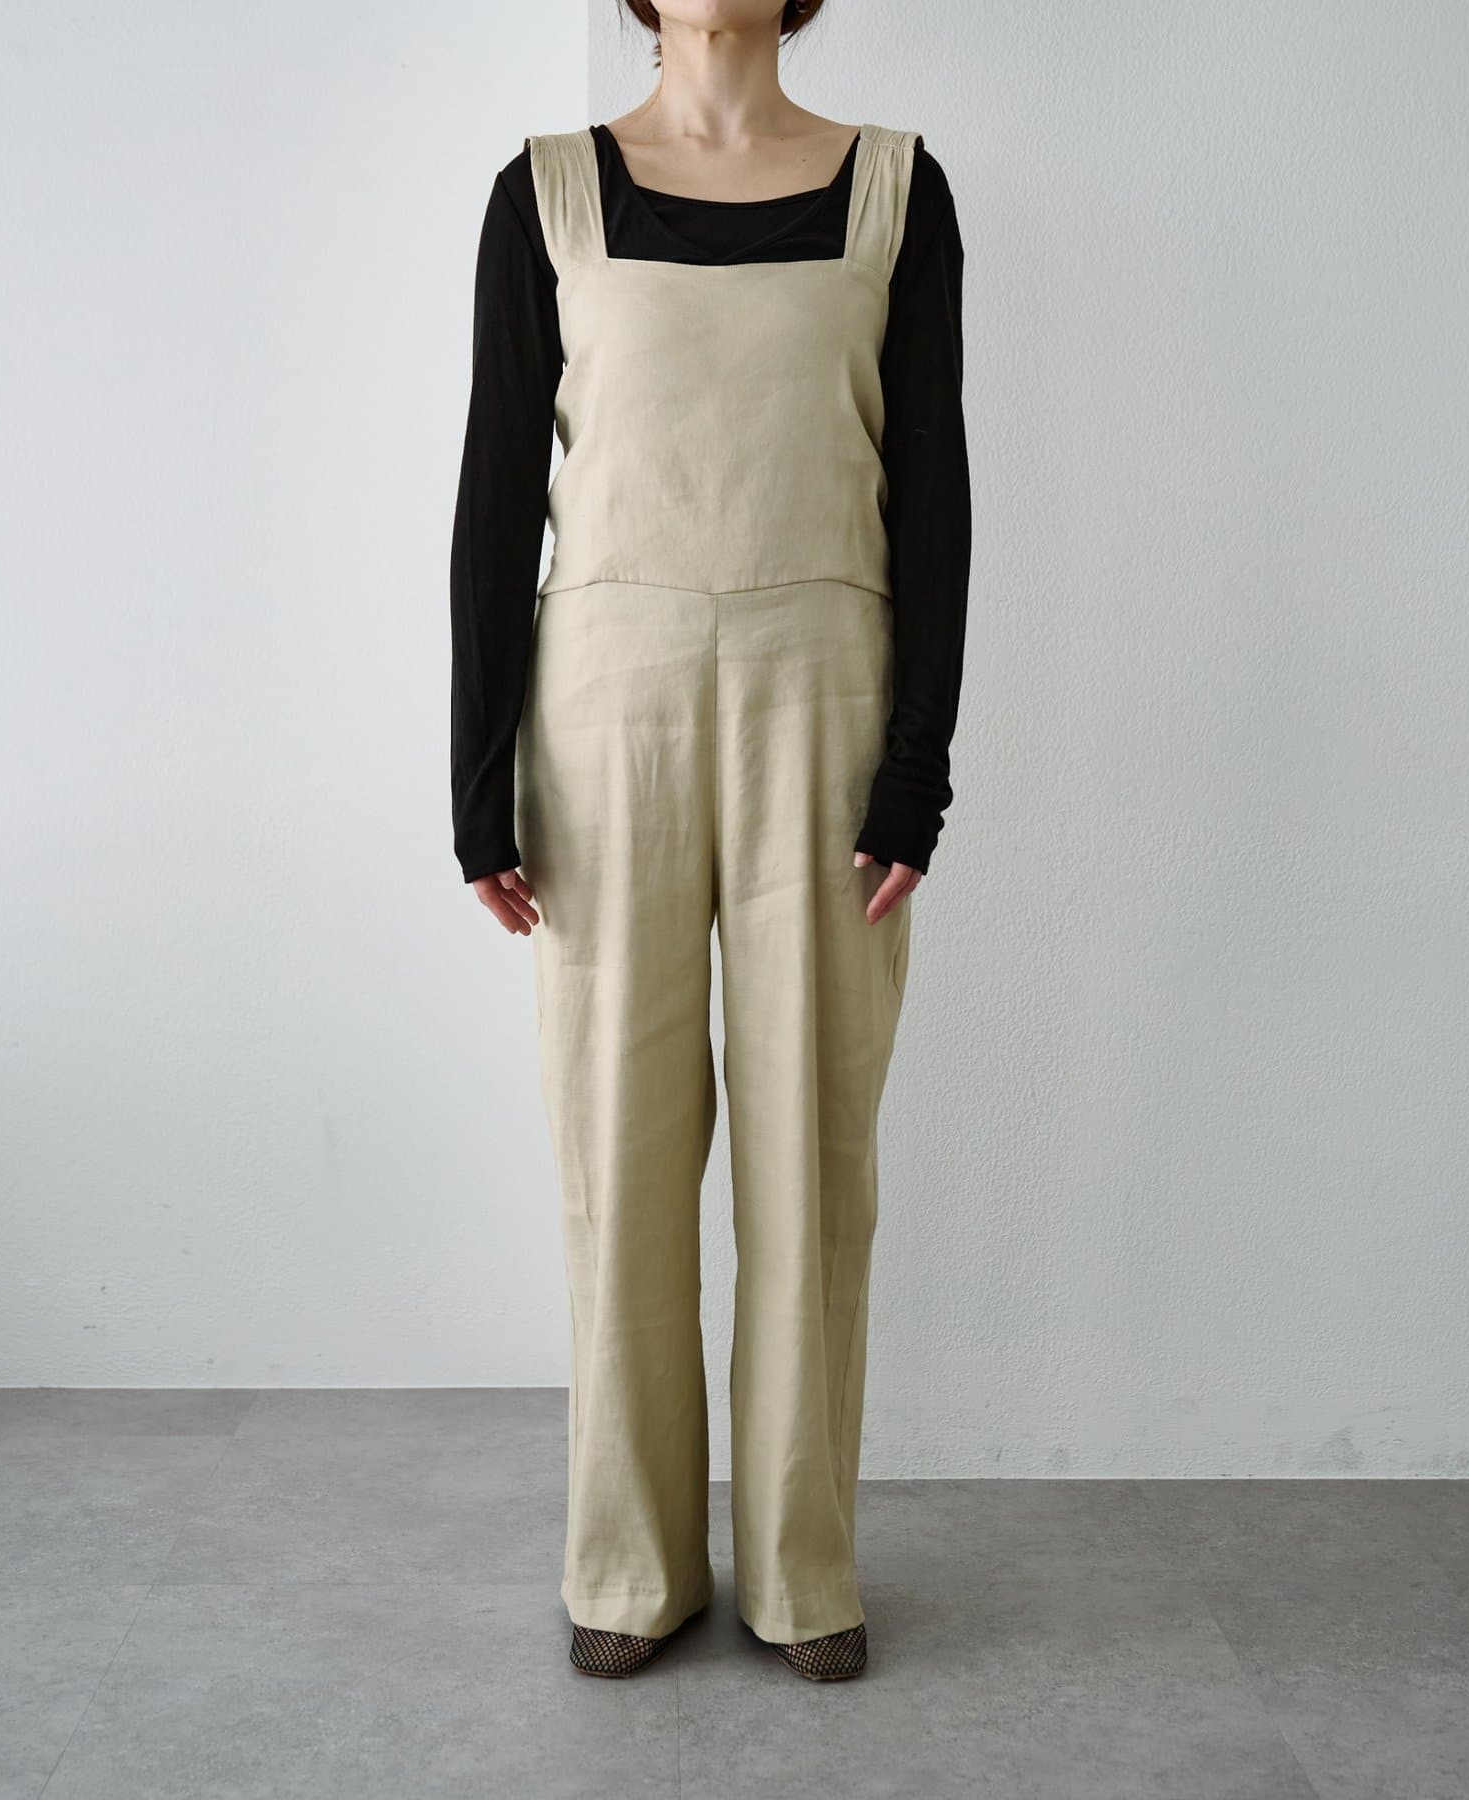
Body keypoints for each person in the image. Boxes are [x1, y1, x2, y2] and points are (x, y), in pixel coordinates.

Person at [449, 0, 970, 1682]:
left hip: (831, 686)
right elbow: (494, 492)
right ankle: (629, 1563)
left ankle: (804, 1569)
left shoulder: (895, 190)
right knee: (617, 1150)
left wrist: (918, 771)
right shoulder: (546, 194)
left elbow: (936, 492)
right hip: (606, 704)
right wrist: (475, 776)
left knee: (815, 1158)